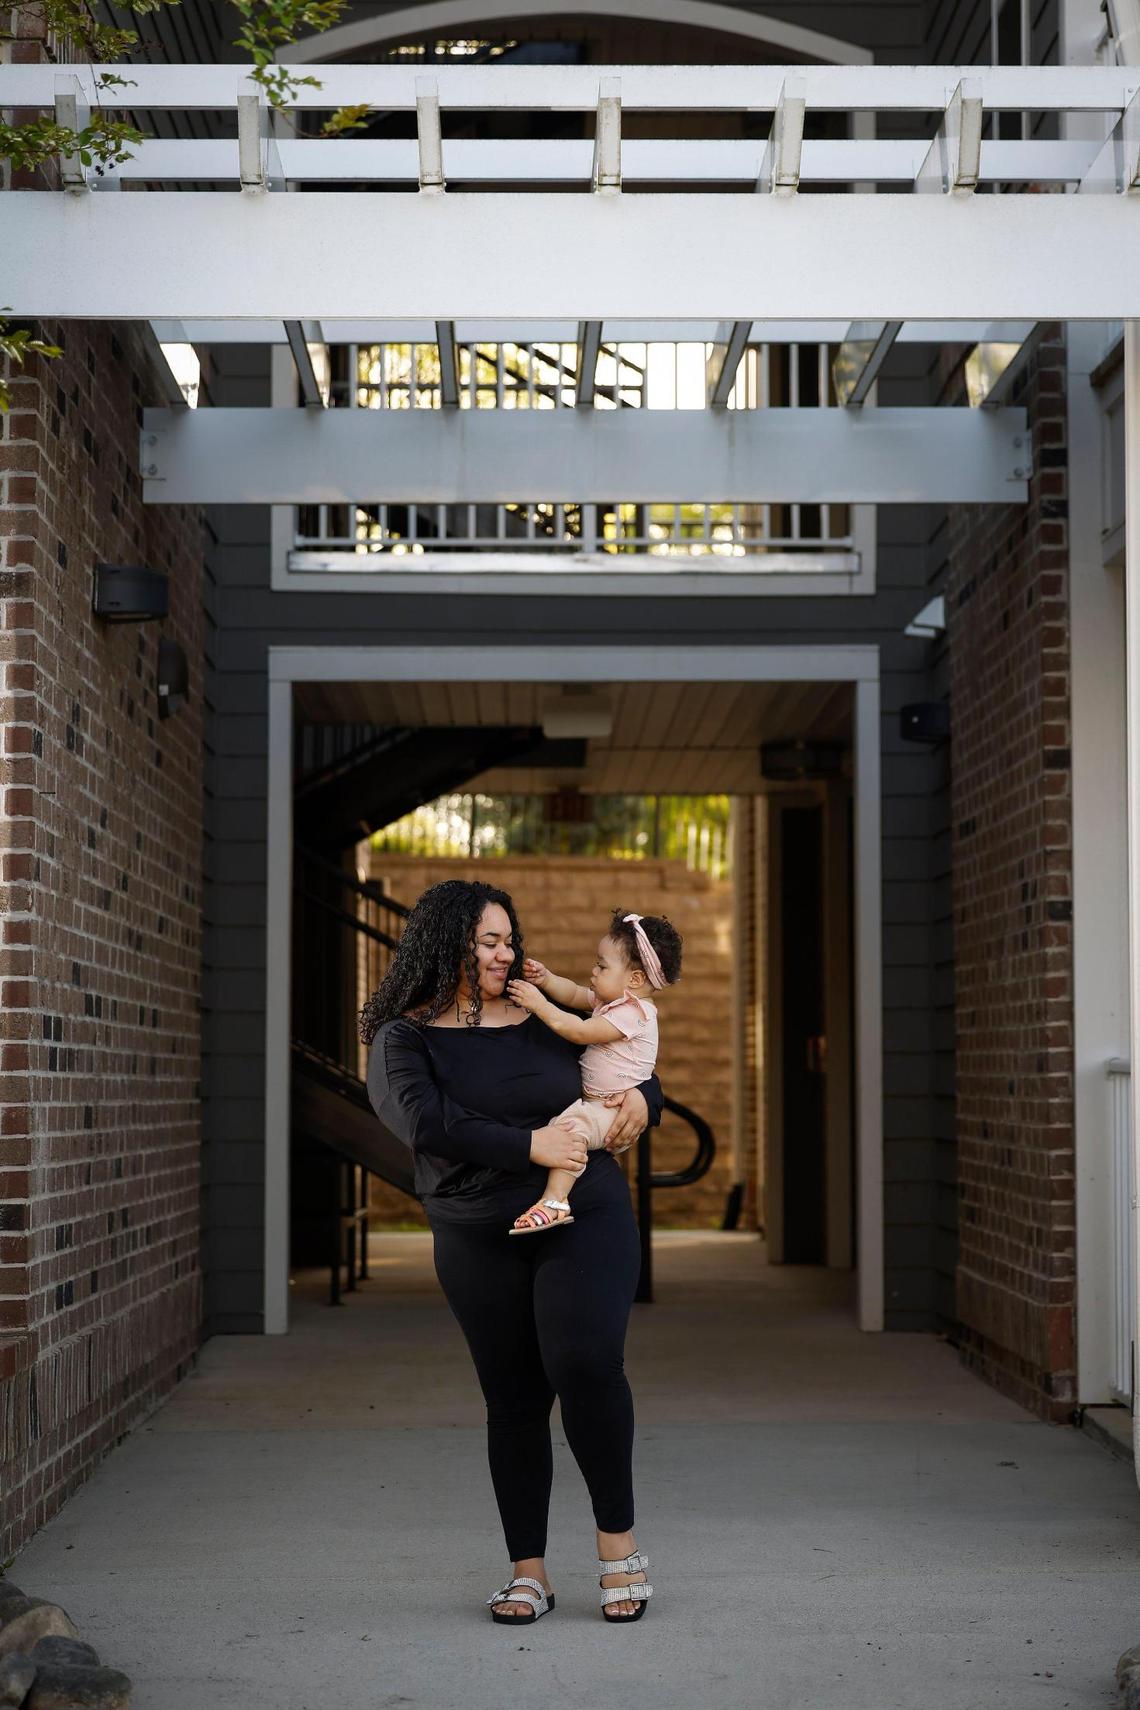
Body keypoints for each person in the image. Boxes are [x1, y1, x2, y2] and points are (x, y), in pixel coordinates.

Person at [362, 878, 659, 1625]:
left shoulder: (540, 1013)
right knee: (516, 1397)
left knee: (584, 1362)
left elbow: (629, 1057)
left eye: (508, 939)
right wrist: (531, 1145)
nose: (504, 954)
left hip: (582, 1210)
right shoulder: (405, 1037)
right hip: (477, 1229)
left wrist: (644, 1102)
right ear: (447, 945)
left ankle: (619, 1550)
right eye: (488, 942)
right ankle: (528, 1571)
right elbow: (426, 1122)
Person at [504, 910, 683, 1236]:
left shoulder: (635, 1014)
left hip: (611, 1111)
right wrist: (546, 980)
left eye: (602, 966)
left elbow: (579, 1031)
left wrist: (538, 1003)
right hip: (599, 1105)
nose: (593, 971)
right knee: (568, 1127)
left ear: (635, 980)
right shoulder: (611, 1002)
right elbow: (573, 994)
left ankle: (555, 1202)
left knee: (569, 1131)